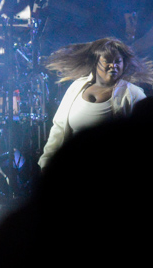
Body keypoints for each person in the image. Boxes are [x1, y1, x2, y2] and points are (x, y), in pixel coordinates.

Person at [38, 38, 150, 170]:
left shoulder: (133, 94)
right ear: (95, 62)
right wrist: (46, 163)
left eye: (117, 61)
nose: (113, 65)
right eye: (107, 61)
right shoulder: (77, 87)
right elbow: (59, 128)